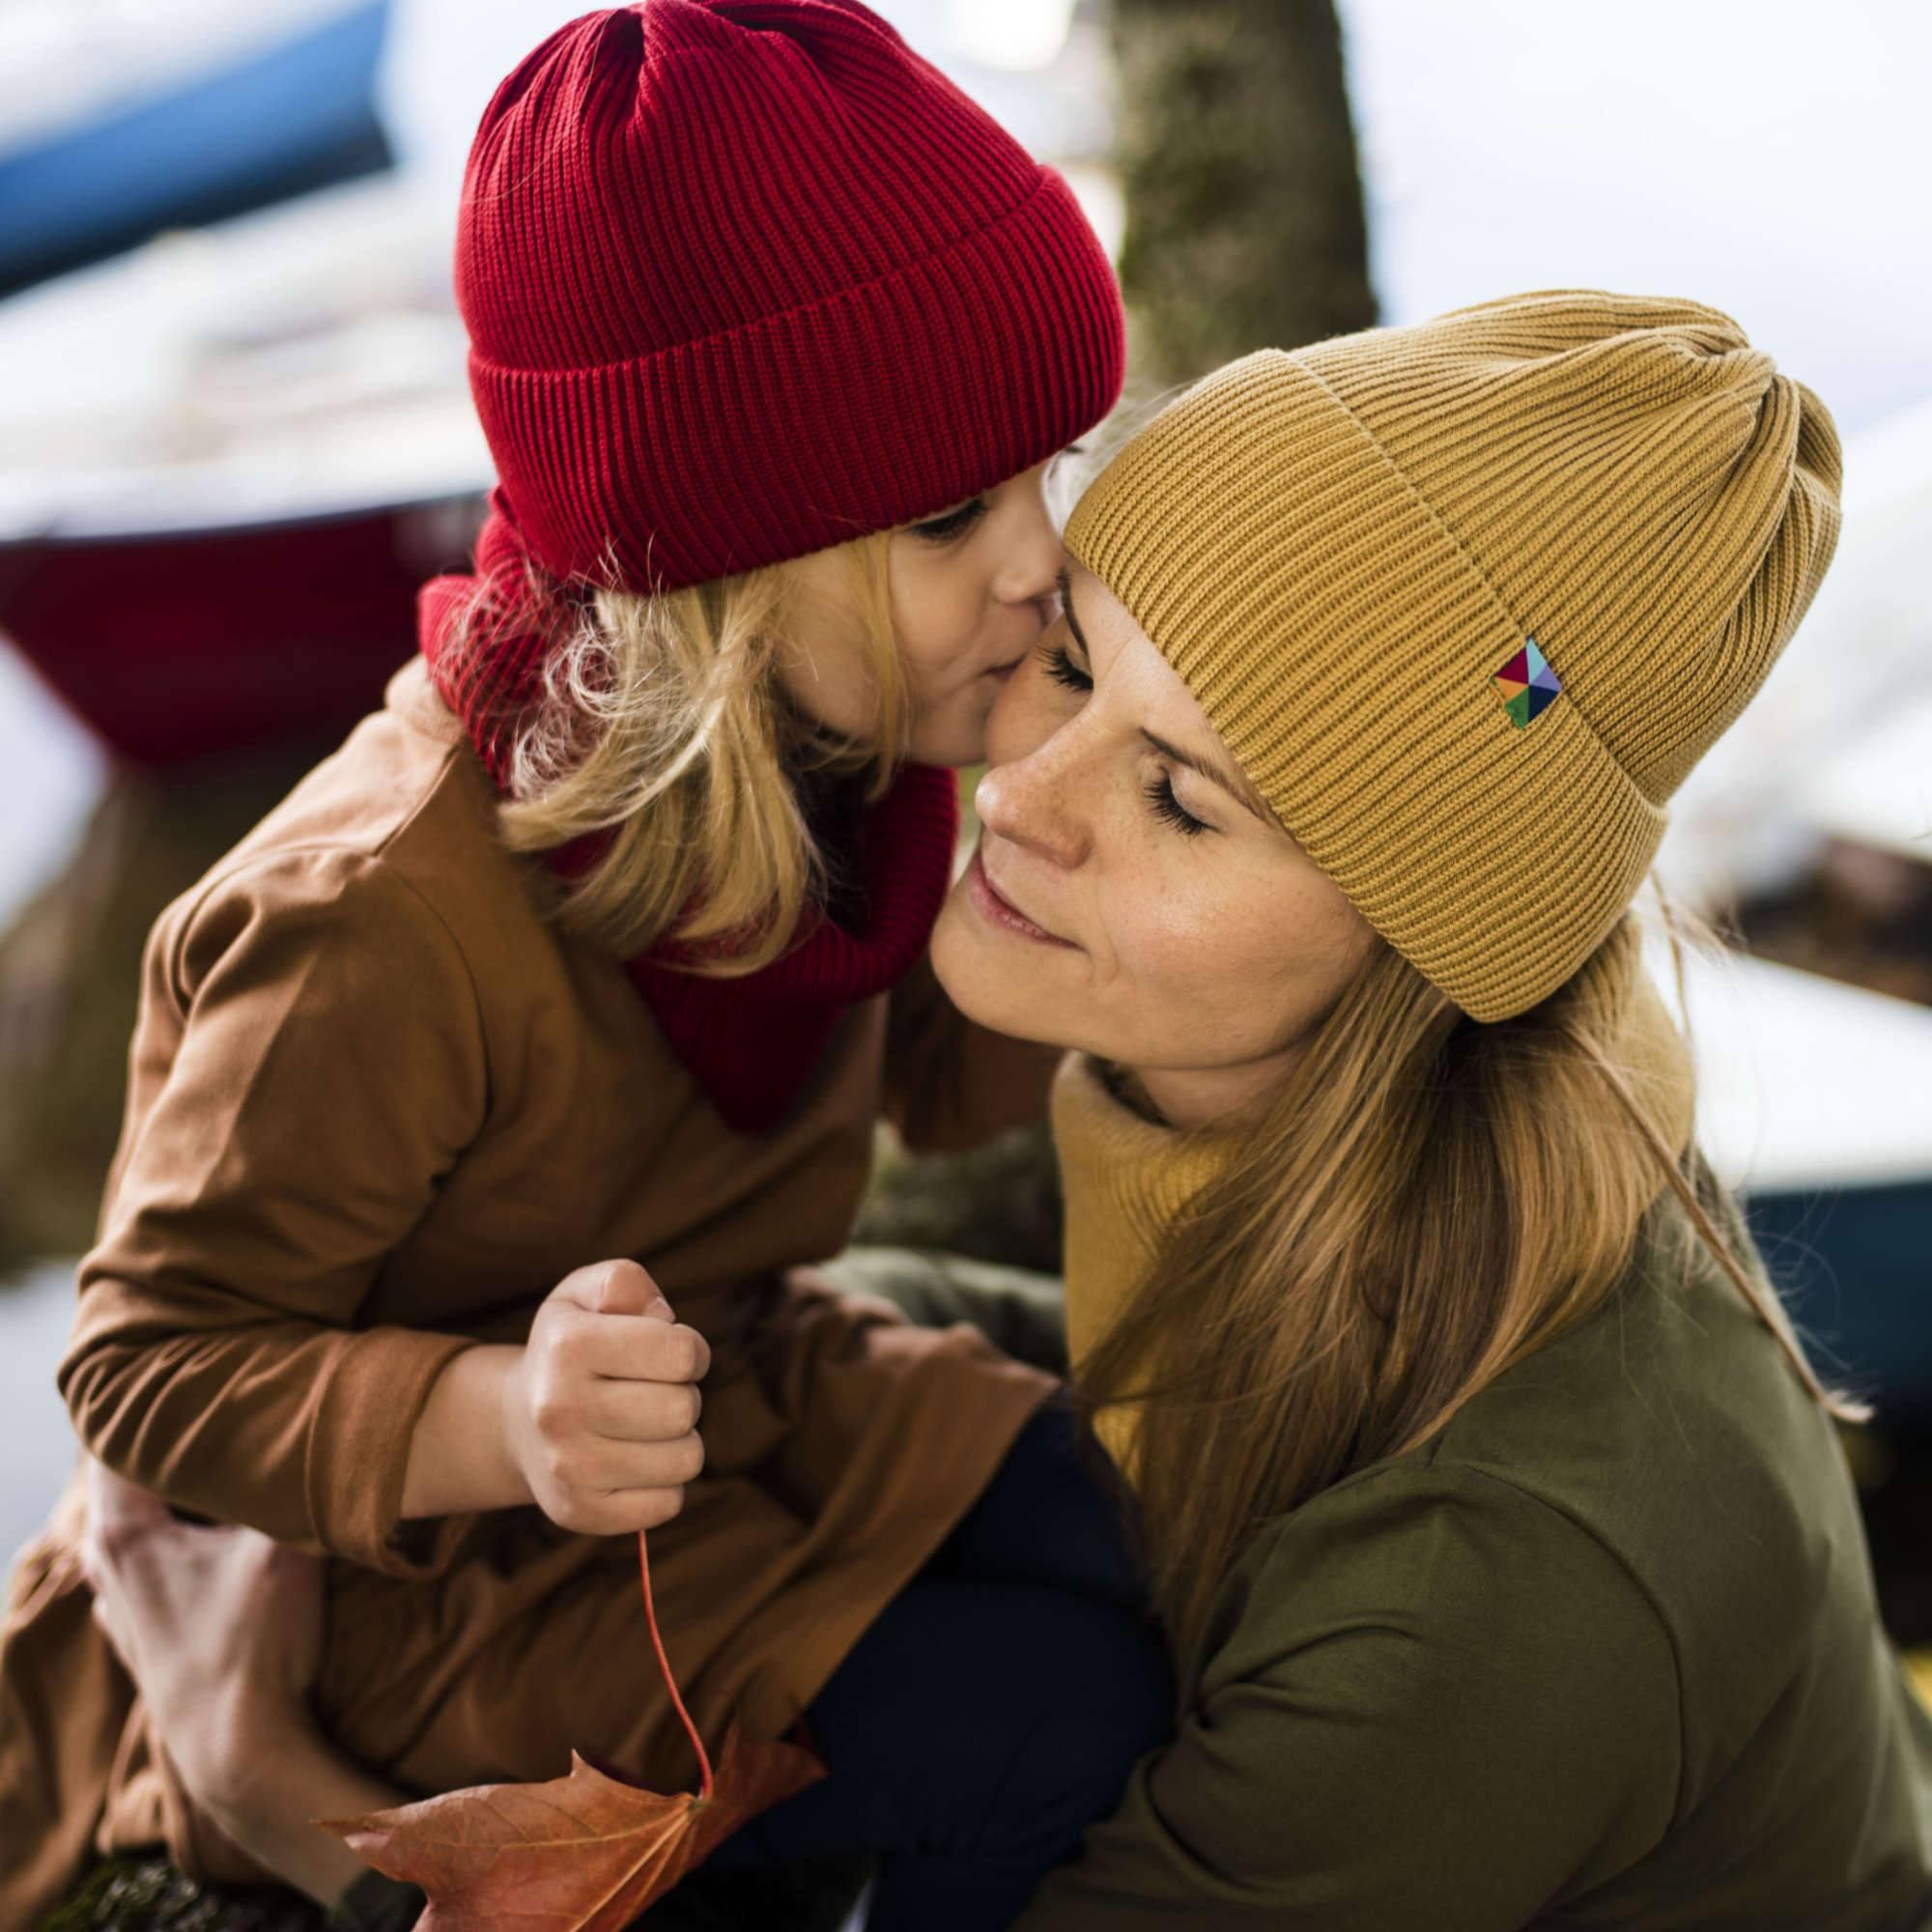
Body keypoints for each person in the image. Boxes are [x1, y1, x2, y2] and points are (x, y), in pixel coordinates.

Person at [91, 291, 1932, 1930]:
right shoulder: (1349, 1128)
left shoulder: (1495, 1584)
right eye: (1074, 663)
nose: (1020, 800)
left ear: (1427, 939)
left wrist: (271, 1787)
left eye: (1184, 801)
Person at [0, 5, 1178, 1929]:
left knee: (1134, 1535)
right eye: (957, 513)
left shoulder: (844, 752)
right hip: (411, 1569)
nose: (1040, 562)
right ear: (714, 556)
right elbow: (147, 1368)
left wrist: (1113, 840)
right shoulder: (385, 917)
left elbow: (955, 1071)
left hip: (724, 1411)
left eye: (1044, 476)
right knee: (1045, 1708)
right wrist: (498, 1416)